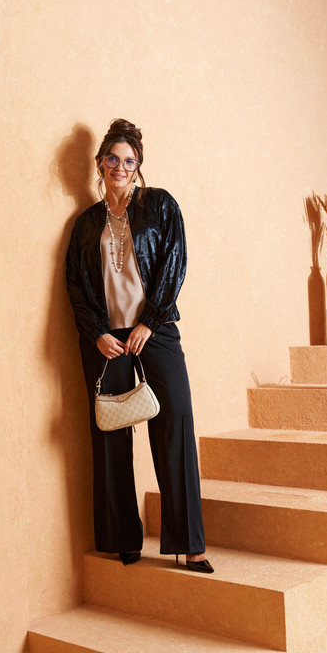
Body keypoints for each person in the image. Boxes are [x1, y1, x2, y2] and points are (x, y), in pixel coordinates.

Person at [66, 119, 213, 573]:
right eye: (113, 158)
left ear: (138, 167)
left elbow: (175, 262)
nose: (120, 167)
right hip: (106, 339)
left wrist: (150, 321)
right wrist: (97, 333)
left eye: (129, 161)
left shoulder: (160, 205)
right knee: (110, 432)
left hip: (155, 330)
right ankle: (123, 539)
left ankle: (190, 544)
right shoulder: (86, 225)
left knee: (176, 423)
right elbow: (76, 285)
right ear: (100, 163)